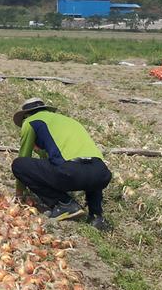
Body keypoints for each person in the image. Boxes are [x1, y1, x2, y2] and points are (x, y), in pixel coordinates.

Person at [10, 98, 112, 231]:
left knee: (19, 165)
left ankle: (64, 203)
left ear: (26, 115)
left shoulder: (30, 121)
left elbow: (24, 155)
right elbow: (59, 156)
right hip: (101, 173)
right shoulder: (70, 121)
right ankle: (96, 216)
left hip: (72, 172)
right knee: (89, 168)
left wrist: (19, 193)